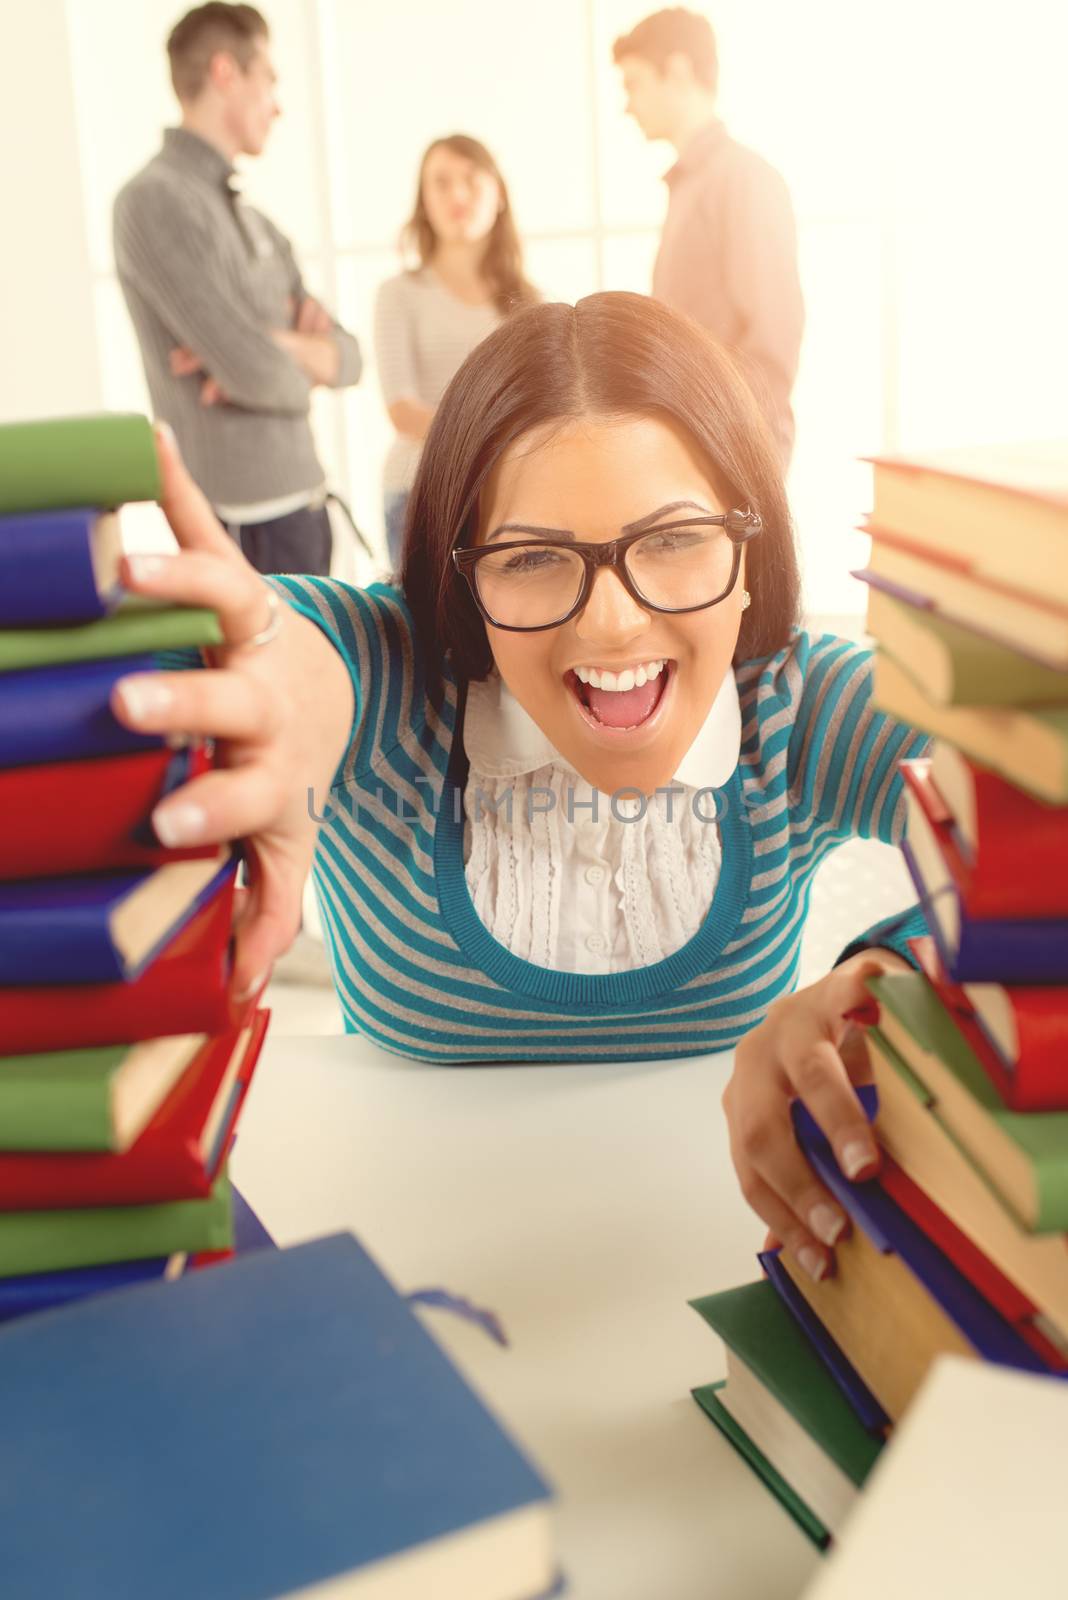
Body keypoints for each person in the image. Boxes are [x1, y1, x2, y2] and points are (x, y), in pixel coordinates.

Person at [112, 291, 926, 1287]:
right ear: (464, 581)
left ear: (746, 552)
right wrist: (244, 698)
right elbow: (295, 660)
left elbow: (1028, 809)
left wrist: (894, 971)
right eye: (533, 558)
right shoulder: (395, 686)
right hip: (401, 1289)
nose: (616, 624)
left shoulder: (801, 709)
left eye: (673, 539)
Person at [113, 2, 362, 577]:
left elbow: (349, 359)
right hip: (242, 524)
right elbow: (258, 373)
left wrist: (273, 349)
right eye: (269, 78)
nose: (279, 104)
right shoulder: (154, 201)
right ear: (227, 72)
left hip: (304, 504)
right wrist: (298, 369)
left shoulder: (255, 220)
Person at [613, 8, 804, 470]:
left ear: (677, 71)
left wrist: (730, 444)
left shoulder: (742, 178)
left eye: (634, 84)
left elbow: (773, 334)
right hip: (697, 444)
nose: (627, 105)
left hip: (731, 448)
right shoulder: (692, 183)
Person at [374, 135, 537, 568]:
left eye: (471, 179)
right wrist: (490, 435)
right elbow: (402, 410)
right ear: (423, 201)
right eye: (441, 183)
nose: (457, 195)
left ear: (498, 194)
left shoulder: (532, 302)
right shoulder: (398, 295)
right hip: (418, 490)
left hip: (509, 492)